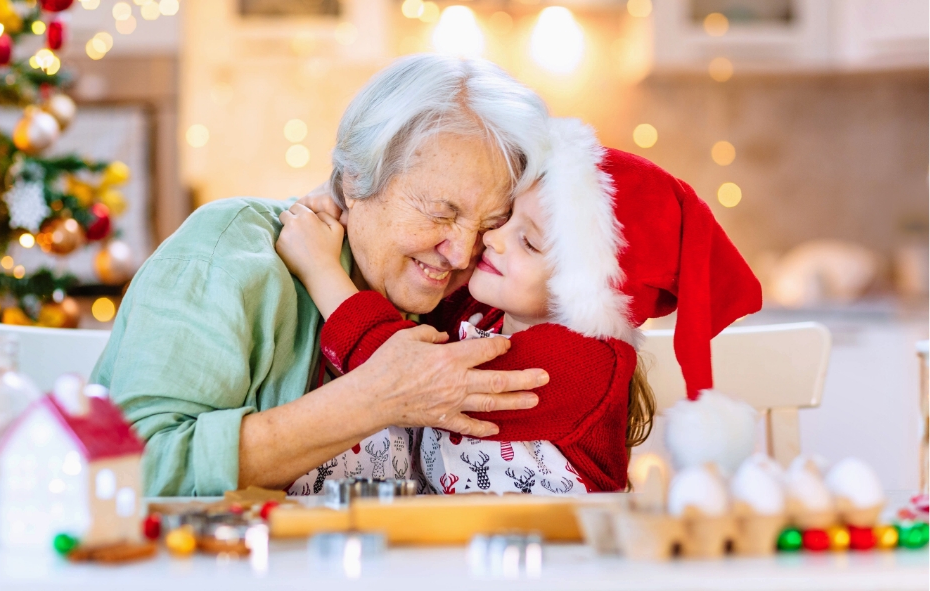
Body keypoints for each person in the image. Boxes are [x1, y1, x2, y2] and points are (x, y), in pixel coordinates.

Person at [90, 54, 554, 496]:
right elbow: (132, 466)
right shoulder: (229, 253)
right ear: (355, 180)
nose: (459, 254)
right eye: (439, 213)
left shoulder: (477, 290)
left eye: (491, 224)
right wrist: (373, 398)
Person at [277, 118, 764, 495]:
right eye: (505, 218)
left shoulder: (587, 362)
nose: (492, 238)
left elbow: (402, 373)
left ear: (584, 288)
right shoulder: (482, 317)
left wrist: (322, 270)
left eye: (528, 242)